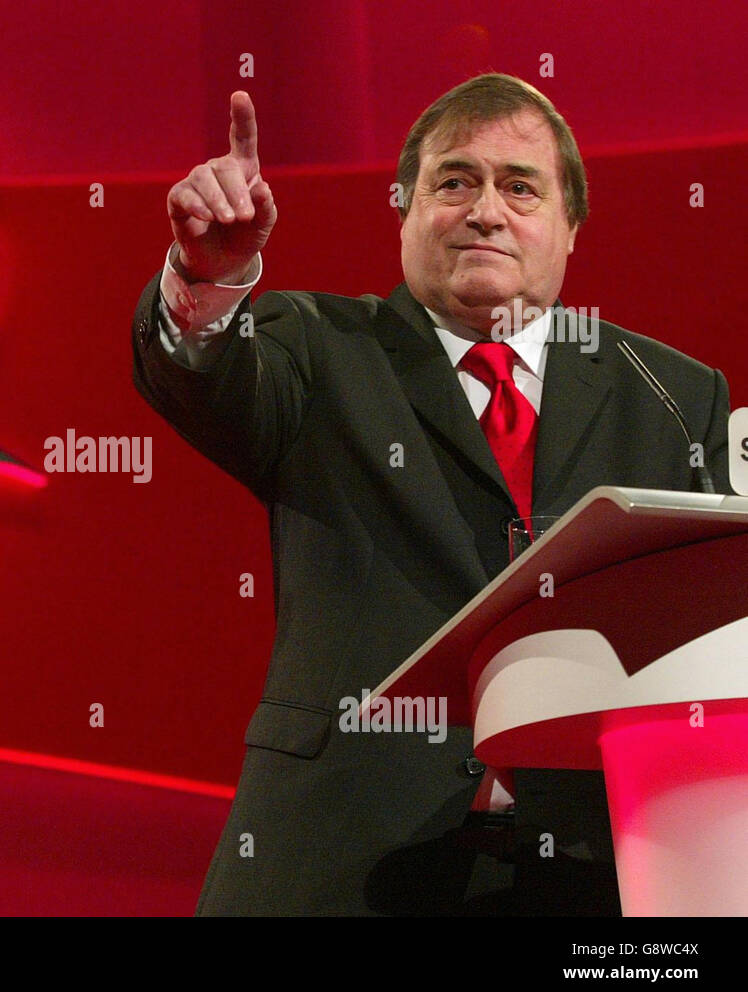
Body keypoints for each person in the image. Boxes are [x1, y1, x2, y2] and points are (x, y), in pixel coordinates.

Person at [131, 73, 731, 915]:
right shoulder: (317, 348)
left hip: (589, 869)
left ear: (570, 230)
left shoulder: (670, 393)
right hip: (341, 861)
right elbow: (201, 375)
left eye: (521, 187)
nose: (486, 209)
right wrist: (209, 275)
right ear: (406, 212)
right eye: (455, 181)